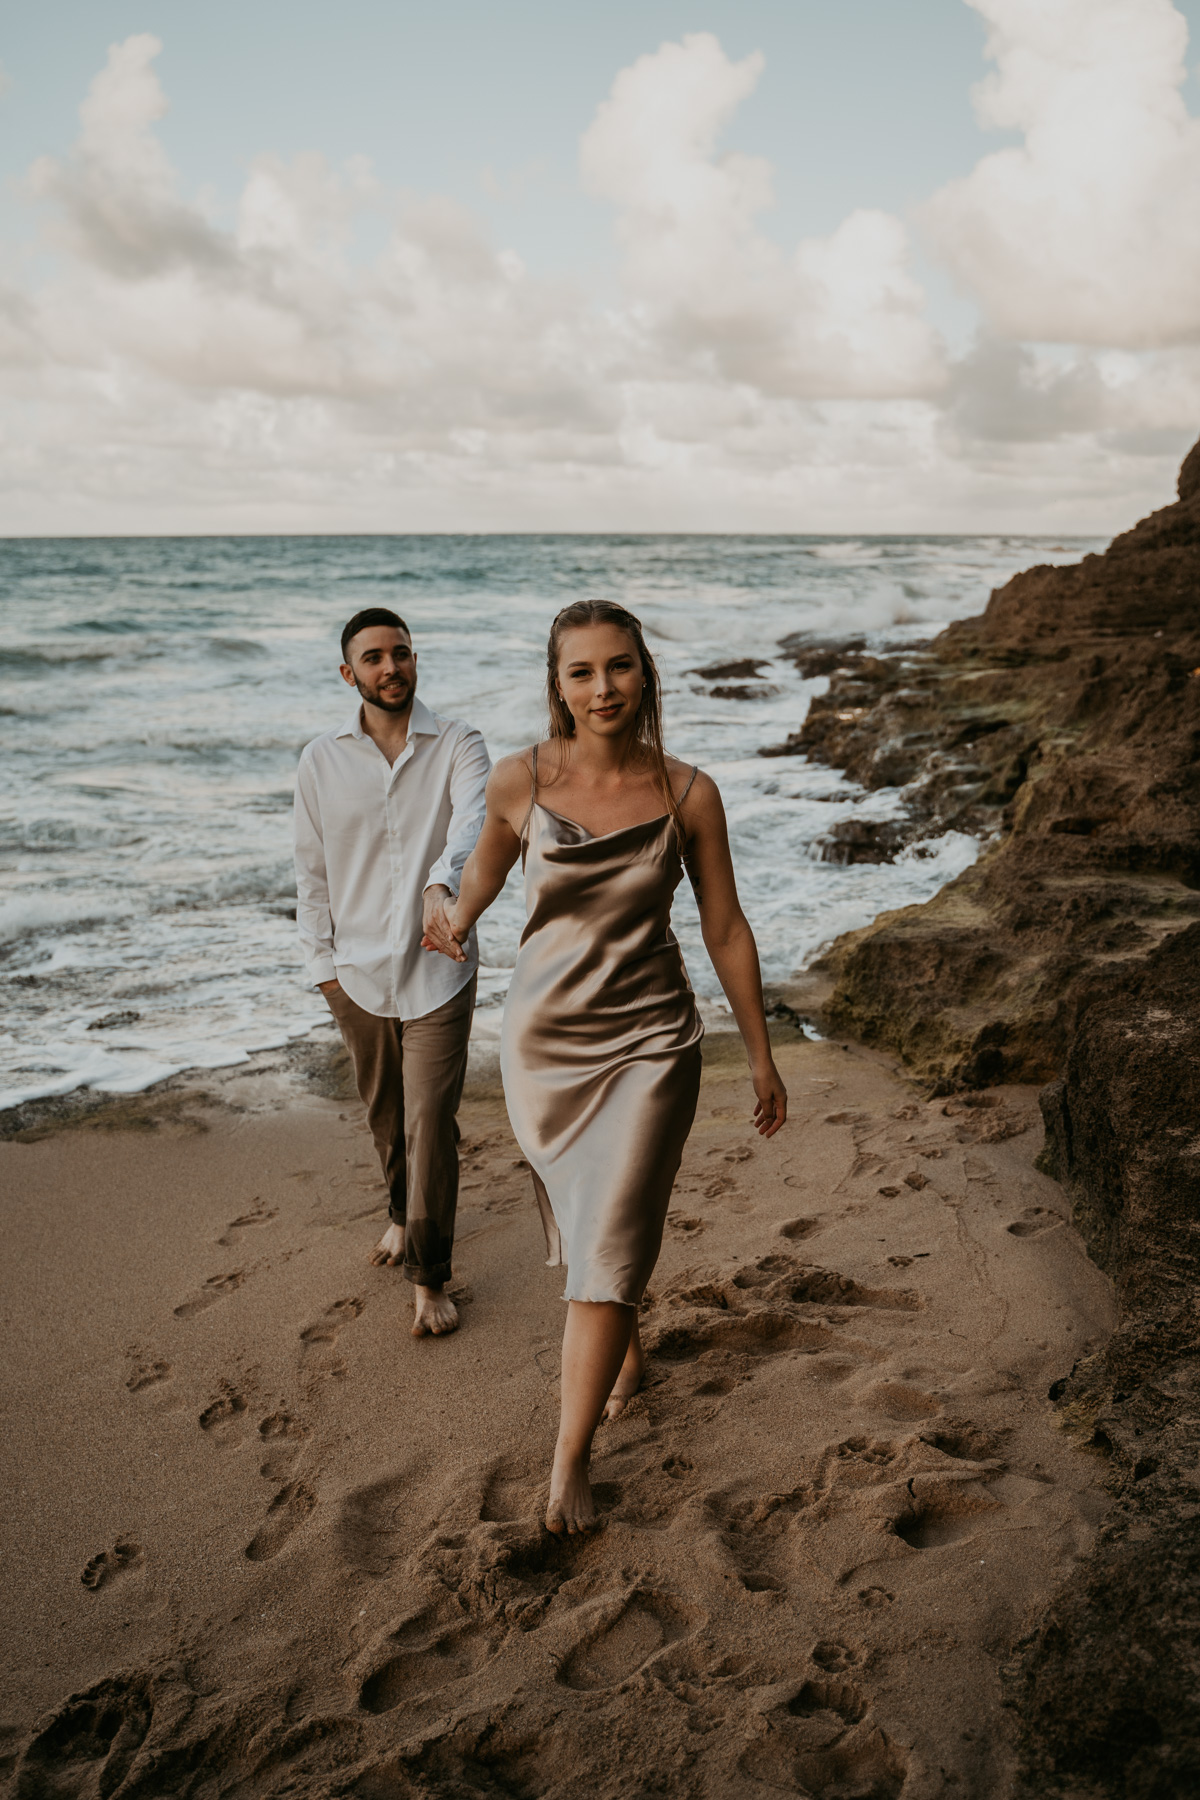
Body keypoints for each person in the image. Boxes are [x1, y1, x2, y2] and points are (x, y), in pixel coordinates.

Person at [422, 598, 787, 1531]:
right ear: (558, 684)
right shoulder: (519, 780)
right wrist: (454, 922)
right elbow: (484, 879)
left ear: (645, 673)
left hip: (653, 1042)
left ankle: (568, 1462)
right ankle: (625, 1342)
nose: (602, 687)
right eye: (581, 672)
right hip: (544, 1039)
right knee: (592, 1216)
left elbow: (725, 927)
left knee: (619, 1220)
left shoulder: (687, 793)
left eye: (618, 667)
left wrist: (761, 1055)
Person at [294, 606, 490, 1338]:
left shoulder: (459, 743)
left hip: (441, 966)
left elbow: (474, 825)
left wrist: (442, 884)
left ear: (416, 660)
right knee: (386, 1116)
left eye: (401, 653)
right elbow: (310, 873)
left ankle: (430, 1277)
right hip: (356, 976)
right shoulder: (320, 761)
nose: (391, 667)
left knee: (430, 1120)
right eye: (373, 658)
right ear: (350, 674)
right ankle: (399, 1215)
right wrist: (324, 970)